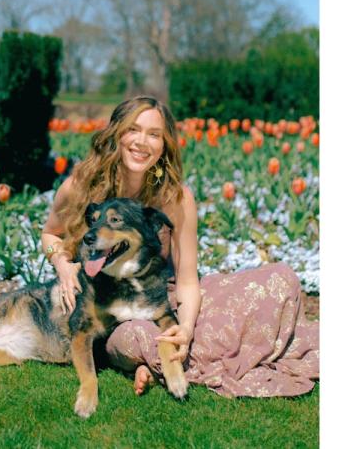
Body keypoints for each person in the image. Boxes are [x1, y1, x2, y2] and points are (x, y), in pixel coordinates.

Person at [40, 96, 319, 398]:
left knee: (278, 280)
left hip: (163, 300)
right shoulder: (82, 184)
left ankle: (155, 360)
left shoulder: (175, 197)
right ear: (117, 134)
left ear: (164, 145)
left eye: (154, 134)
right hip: (113, 311)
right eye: (133, 129)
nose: (142, 142)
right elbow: (50, 234)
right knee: (137, 336)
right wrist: (63, 265)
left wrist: (185, 328)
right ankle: (151, 359)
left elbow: (187, 280)